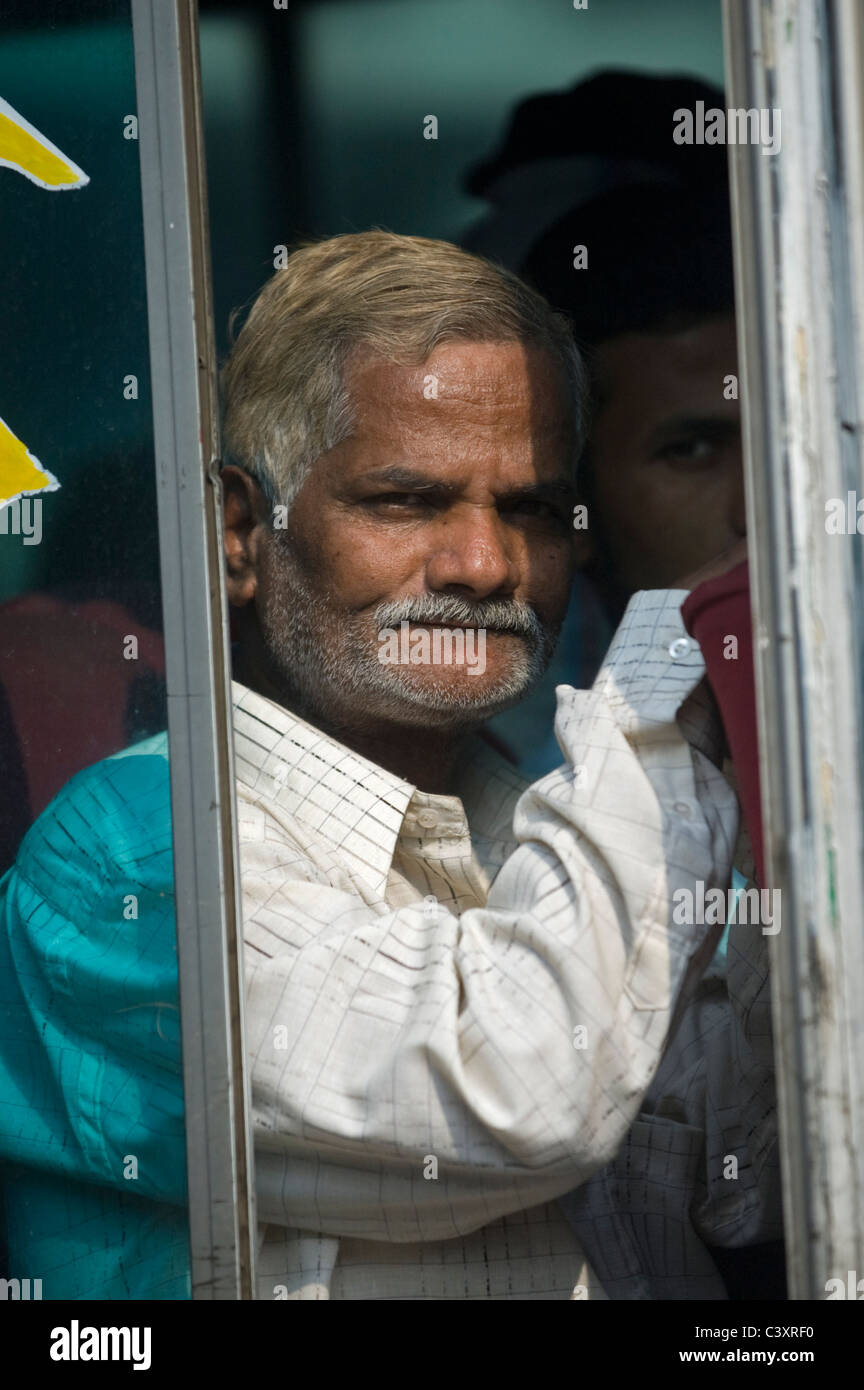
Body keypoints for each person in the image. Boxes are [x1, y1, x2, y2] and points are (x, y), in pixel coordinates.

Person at [0, 232, 770, 1299]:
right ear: (240, 533)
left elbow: (748, 1180)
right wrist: (658, 697)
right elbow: (522, 1092)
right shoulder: (126, 856)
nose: (483, 565)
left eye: (529, 508)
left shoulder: (550, 832)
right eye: (407, 501)